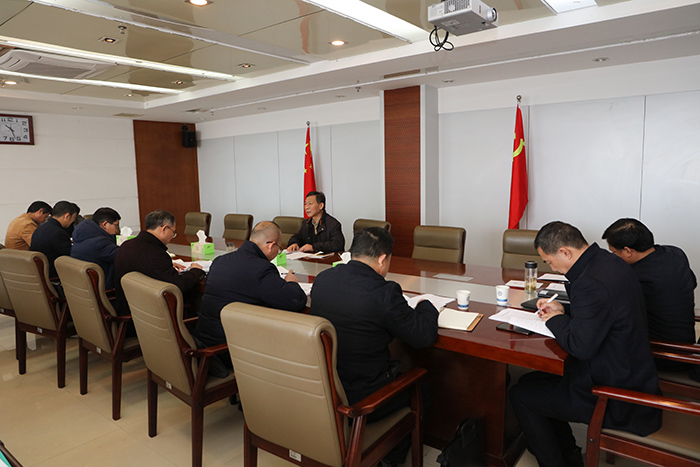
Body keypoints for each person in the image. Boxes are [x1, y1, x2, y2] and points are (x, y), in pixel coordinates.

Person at [509, 221, 661, 467]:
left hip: (614, 392)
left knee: (521, 395)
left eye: (550, 261)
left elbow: (580, 346)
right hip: (629, 370)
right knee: (528, 381)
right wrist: (562, 309)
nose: (552, 268)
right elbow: (600, 311)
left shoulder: (591, 282)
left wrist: (554, 319)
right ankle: (568, 455)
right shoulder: (606, 262)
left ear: (565, 252)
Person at [310, 227, 438, 465]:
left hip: (326, 391)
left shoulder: (323, 279)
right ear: (382, 259)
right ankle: (390, 459)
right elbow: (424, 336)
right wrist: (425, 305)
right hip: (363, 399)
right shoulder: (384, 292)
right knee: (422, 390)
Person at [195, 221, 307, 367]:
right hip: (229, 352)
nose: (277, 254)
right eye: (279, 249)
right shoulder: (261, 269)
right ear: (271, 245)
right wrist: (291, 282)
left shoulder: (220, 261)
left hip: (202, 344)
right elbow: (295, 301)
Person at [602, 218, 697, 371]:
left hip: (664, 354)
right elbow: (692, 283)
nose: (613, 257)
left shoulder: (632, 276)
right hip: (687, 344)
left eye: (613, 252)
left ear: (628, 251)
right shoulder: (675, 253)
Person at [113, 210, 205, 317]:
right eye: (173, 232)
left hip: (129, 308)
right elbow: (179, 286)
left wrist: (167, 264)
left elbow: (146, 266)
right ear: (164, 229)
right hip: (149, 315)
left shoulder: (127, 245)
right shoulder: (155, 253)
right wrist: (196, 271)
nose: (172, 236)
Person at [71, 207, 122, 289]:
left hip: (85, 286)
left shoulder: (83, 236)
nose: (116, 230)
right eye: (115, 225)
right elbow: (124, 256)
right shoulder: (100, 243)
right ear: (104, 224)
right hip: (103, 288)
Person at [30, 200, 80, 278]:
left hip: (40, 272)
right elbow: (70, 255)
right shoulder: (58, 232)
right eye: (73, 218)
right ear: (67, 216)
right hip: (54, 274)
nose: (72, 222)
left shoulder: (40, 228)